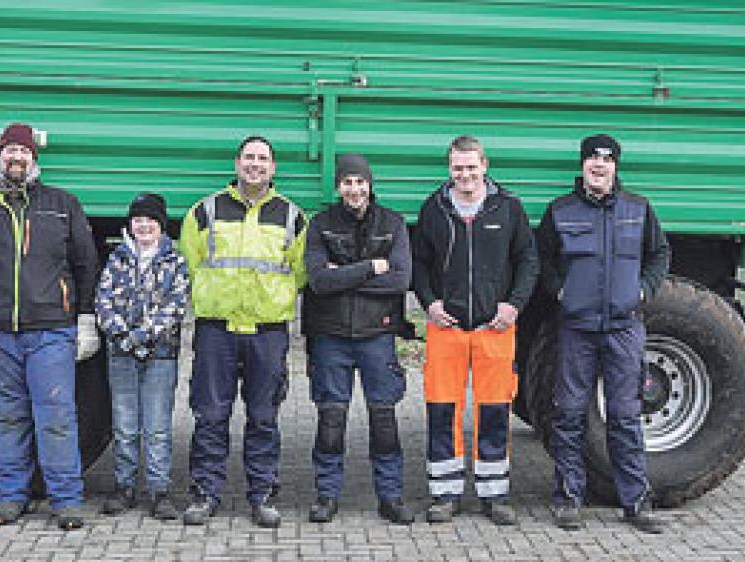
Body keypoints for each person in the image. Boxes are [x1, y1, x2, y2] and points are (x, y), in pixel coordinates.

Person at [0, 122, 100, 530]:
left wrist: (86, 320)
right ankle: (11, 496)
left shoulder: (63, 205)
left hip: (51, 332)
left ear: (34, 159)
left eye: (24, 152)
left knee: (56, 417)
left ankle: (66, 500)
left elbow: (86, 266)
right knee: (9, 419)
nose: (17, 158)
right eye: (10, 151)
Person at [536, 134, 671, 534]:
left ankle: (636, 502)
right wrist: (560, 290)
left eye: (606, 160)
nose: (598, 165)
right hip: (576, 329)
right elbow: (541, 258)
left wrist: (644, 290)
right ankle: (568, 499)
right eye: (592, 159)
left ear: (615, 166)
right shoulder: (561, 211)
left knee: (626, 417)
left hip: (623, 329)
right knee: (569, 414)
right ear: (582, 165)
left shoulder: (638, 209)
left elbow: (660, 253)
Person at [179, 136, 306, 528]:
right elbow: (190, 261)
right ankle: (205, 493)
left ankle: (262, 495)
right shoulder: (205, 211)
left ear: (273, 168)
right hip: (217, 330)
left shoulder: (292, 216)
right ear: (237, 164)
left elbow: (300, 271)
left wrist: (273, 299)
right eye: (249, 157)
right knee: (210, 416)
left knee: (264, 417)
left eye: (262, 159)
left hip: (267, 332)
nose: (255, 164)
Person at [411, 135, 538, 525]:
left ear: (485, 165)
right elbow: (418, 263)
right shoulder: (434, 209)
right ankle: (445, 494)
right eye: (457, 168)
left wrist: (513, 305)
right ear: (449, 169)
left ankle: (494, 495)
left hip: (494, 328)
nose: (464, 174)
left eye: (471, 166)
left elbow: (528, 261)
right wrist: (429, 303)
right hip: (446, 328)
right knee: (442, 410)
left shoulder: (509, 207)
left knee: (495, 411)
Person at [301, 153, 415, 526]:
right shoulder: (320, 225)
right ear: (338, 186)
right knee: (331, 419)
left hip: (377, 335)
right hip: (330, 335)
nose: (354, 189)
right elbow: (319, 281)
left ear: (370, 184)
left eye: (360, 182)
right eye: (347, 182)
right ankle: (326, 495)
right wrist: (369, 268)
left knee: (384, 419)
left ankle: (390, 496)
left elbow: (400, 280)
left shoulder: (393, 224)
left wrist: (344, 276)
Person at [94, 192, 191, 522]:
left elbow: (176, 305)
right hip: (121, 354)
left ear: (161, 225)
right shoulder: (117, 259)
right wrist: (122, 335)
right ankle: (124, 487)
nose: (144, 226)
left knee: (157, 427)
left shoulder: (175, 261)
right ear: (130, 224)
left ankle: (159, 491)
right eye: (138, 220)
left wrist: (142, 335)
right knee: (124, 426)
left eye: (151, 220)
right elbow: (103, 301)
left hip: (160, 354)